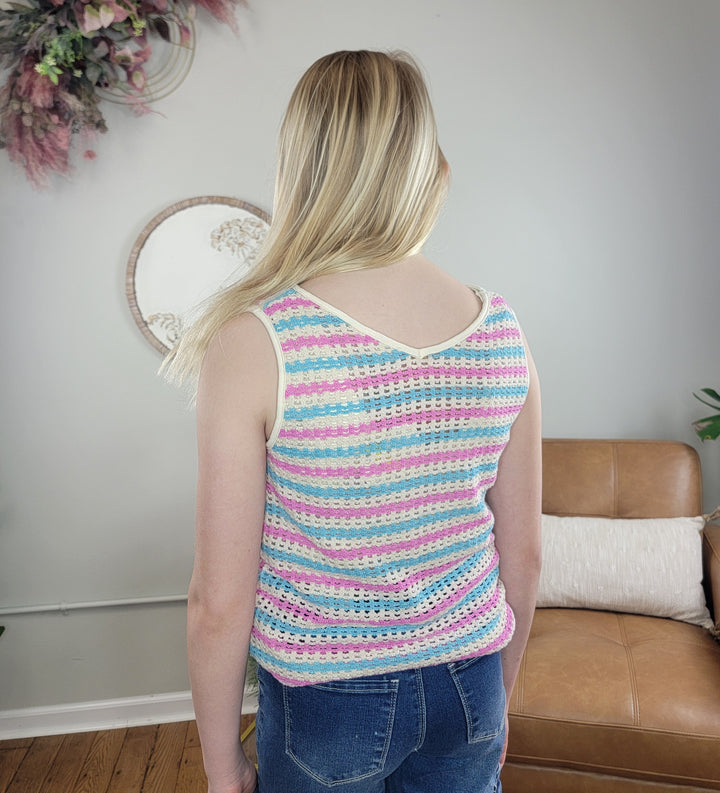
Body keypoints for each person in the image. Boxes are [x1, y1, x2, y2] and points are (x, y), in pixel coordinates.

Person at [163, 49, 542, 793]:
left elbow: (219, 601)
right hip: (472, 680)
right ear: (429, 169)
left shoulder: (257, 340)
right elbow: (523, 556)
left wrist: (220, 763)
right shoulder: (501, 330)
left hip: (330, 698)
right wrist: (499, 699)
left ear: (301, 171)